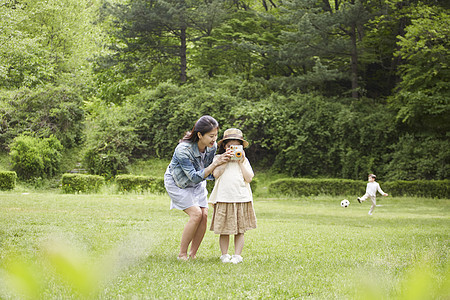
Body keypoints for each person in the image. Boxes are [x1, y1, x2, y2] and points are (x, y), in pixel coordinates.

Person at [164, 115, 232, 261]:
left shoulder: (211, 148)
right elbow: (194, 176)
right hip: (178, 183)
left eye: (216, 135)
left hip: (198, 181)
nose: (214, 140)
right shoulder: (183, 150)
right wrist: (215, 164)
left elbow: (207, 174)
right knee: (196, 214)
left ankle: (192, 254)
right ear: (200, 135)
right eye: (211, 136)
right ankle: (182, 254)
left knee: (204, 215)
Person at [209, 128, 257, 264]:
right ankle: (224, 255)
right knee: (224, 230)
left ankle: (237, 255)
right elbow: (216, 174)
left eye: (237, 146)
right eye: (230, 146)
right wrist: (224, 160)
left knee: (240, 229)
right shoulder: (218, 158)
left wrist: (241, 161)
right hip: (223, 198)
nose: (233, 149)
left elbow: (249, 178)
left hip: (240, 198)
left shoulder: (243, 160)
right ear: (224, 146)